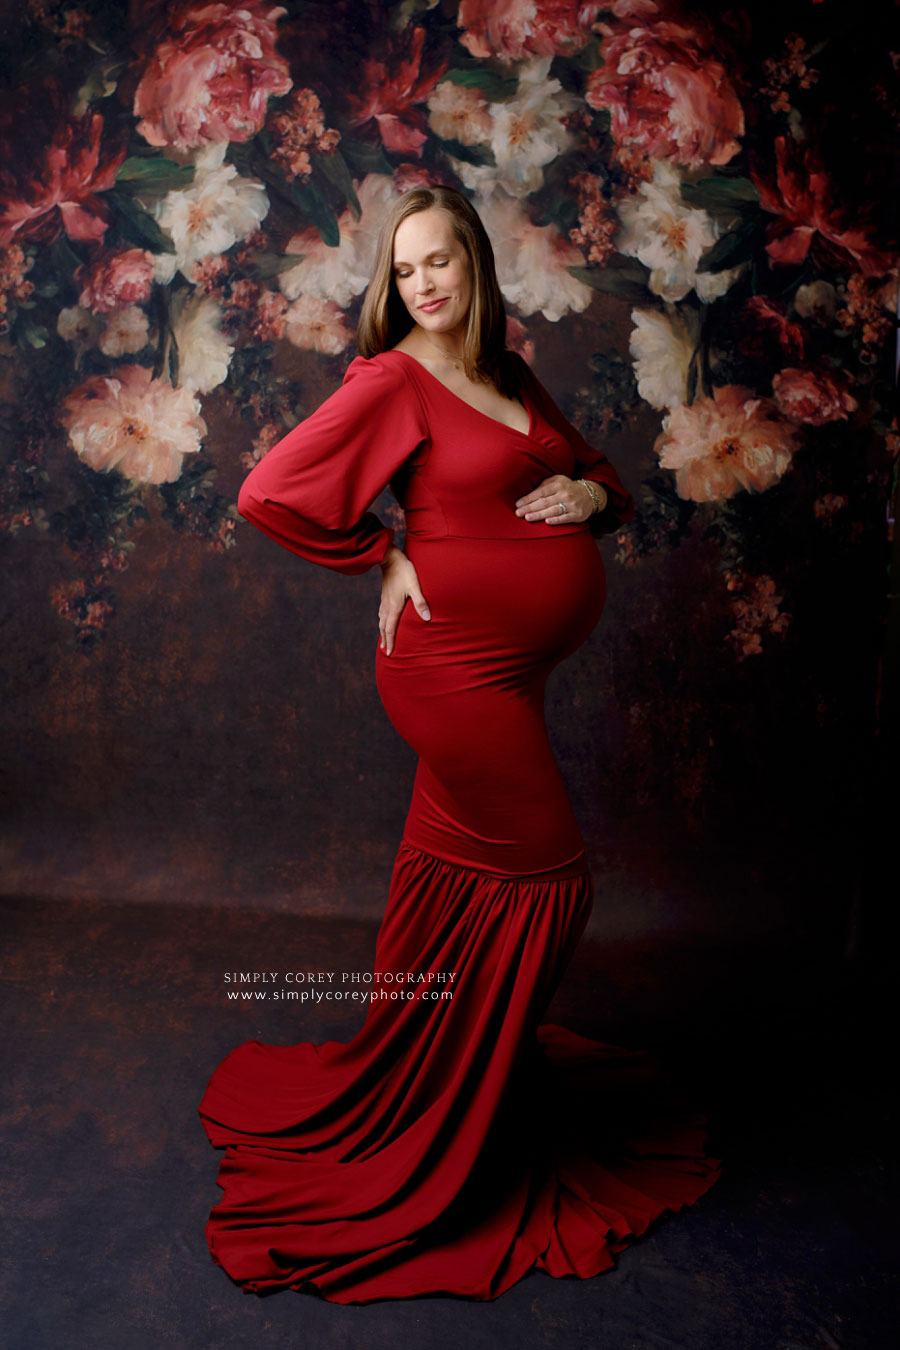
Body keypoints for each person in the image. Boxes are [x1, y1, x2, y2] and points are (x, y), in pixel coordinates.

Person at [198, 185, 722, 1304]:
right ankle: (455, 1129)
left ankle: (424, 1073)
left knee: (448, 880)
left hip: (515, 675)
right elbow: (269, 493)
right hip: (448, 673)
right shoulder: (395, 379)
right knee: (552, 883)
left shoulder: (508, 378)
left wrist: (586, 491)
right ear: (391, 289)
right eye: (405, 270)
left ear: (475, 267)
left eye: (442, 261)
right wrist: (379, 556)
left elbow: (604, 478)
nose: (425, 283)